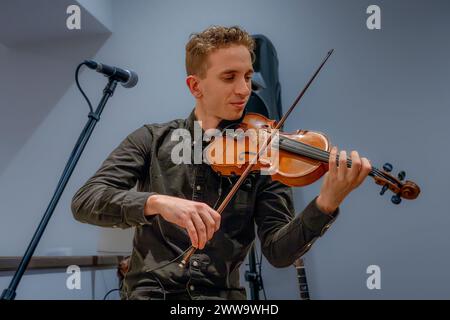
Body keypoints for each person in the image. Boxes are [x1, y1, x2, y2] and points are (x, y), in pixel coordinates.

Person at [71, 25, 371, 300]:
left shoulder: (264, 152)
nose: (244, 89)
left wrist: (326, 204)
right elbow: (86, 200)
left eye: (248, 76)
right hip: (151, 294)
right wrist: (159, 202)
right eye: (230, 77)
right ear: (195, 86)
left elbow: (279, 253)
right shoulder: (151, 139)